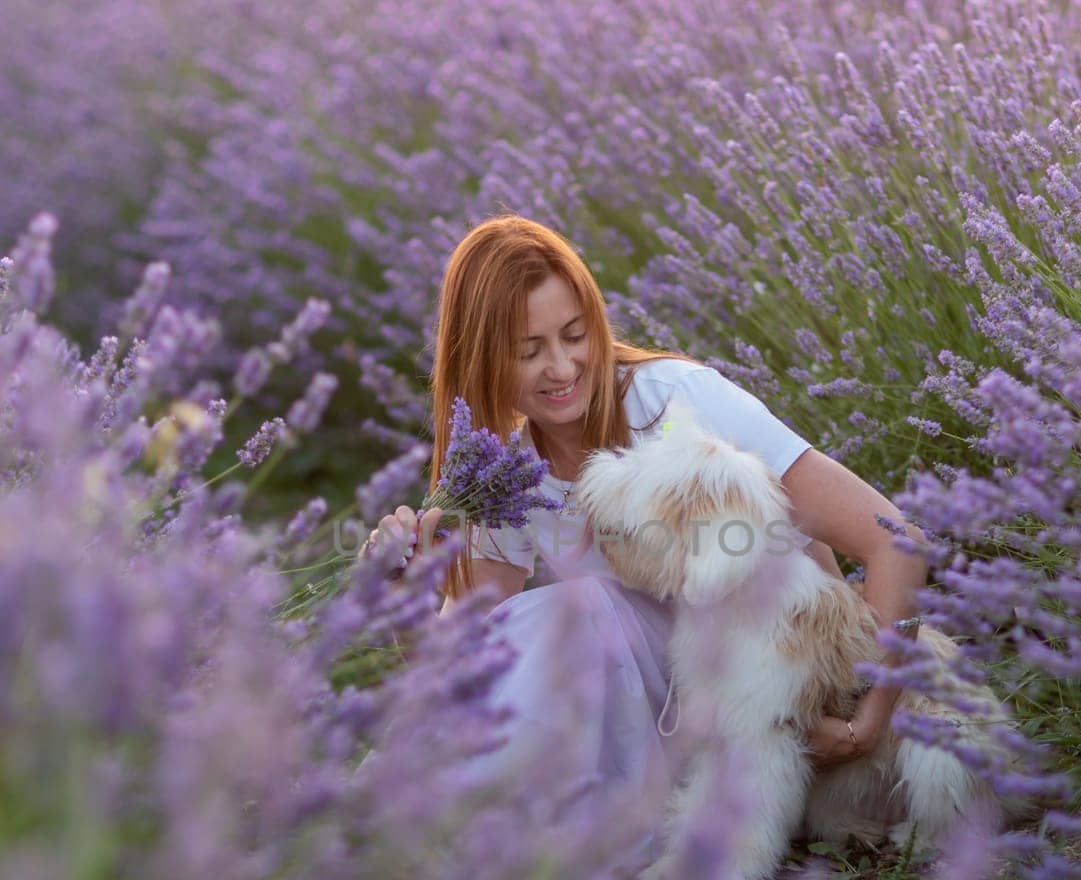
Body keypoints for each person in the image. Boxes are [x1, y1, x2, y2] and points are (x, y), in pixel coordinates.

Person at [360, 214, 928, 795]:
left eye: (575, 336)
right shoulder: (504, 470)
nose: (562, 368)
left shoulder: (674, 401)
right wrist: (409, 600)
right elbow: (466, 675)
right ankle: (457, 817)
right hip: (660, 715)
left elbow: (895, 539)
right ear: (483, 360)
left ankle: (475, 817)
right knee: (556, 620)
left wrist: (867, 717)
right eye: (529, 351)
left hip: (769, 686)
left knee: (582, 610)